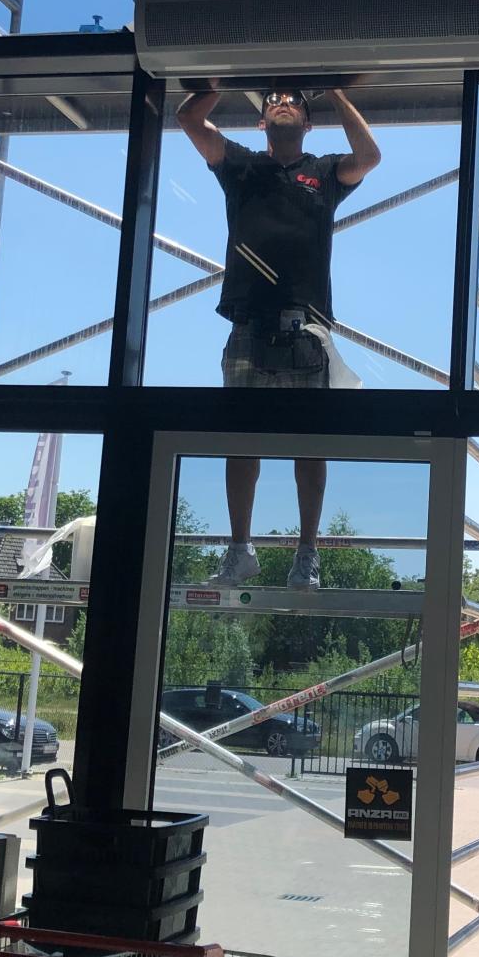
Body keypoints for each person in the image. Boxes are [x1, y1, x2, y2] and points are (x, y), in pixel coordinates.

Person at [174, 84, 382, 590]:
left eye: (294, 101)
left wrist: (336, 93)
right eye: (272, 101)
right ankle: (240, 550)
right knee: (241, 440)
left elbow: (369, 157)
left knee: (309, 444)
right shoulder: (241, 166)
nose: (282, 102)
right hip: (249, 322)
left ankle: (306, 555)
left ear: (308, 124)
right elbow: (189, 121)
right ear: (261, 122)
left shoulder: (324, 172)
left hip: (306, 326)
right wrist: (223, 78)